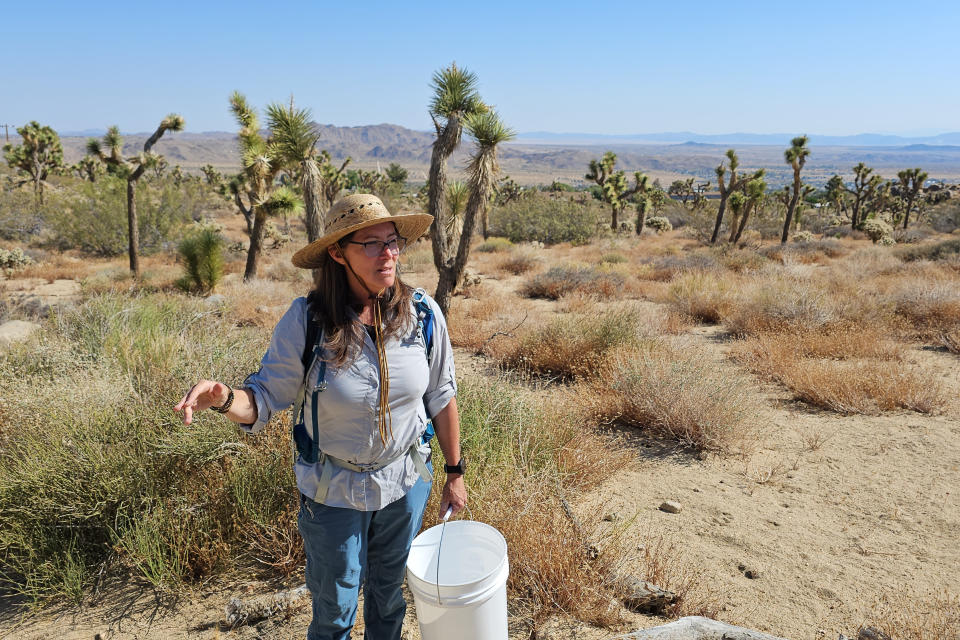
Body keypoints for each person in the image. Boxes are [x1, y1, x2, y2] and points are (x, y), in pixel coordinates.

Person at [174, 194, 466, 640]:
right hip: (334, 491)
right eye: (371, 244)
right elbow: (265, 397)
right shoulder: (307, 321)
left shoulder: (422, 314)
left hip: (406, 482)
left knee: (389, 600)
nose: (388, 254)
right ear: (337, 252)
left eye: (393, 242)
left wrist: (454, 472)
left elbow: (441, 396)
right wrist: (224, 397)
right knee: (334, 613)